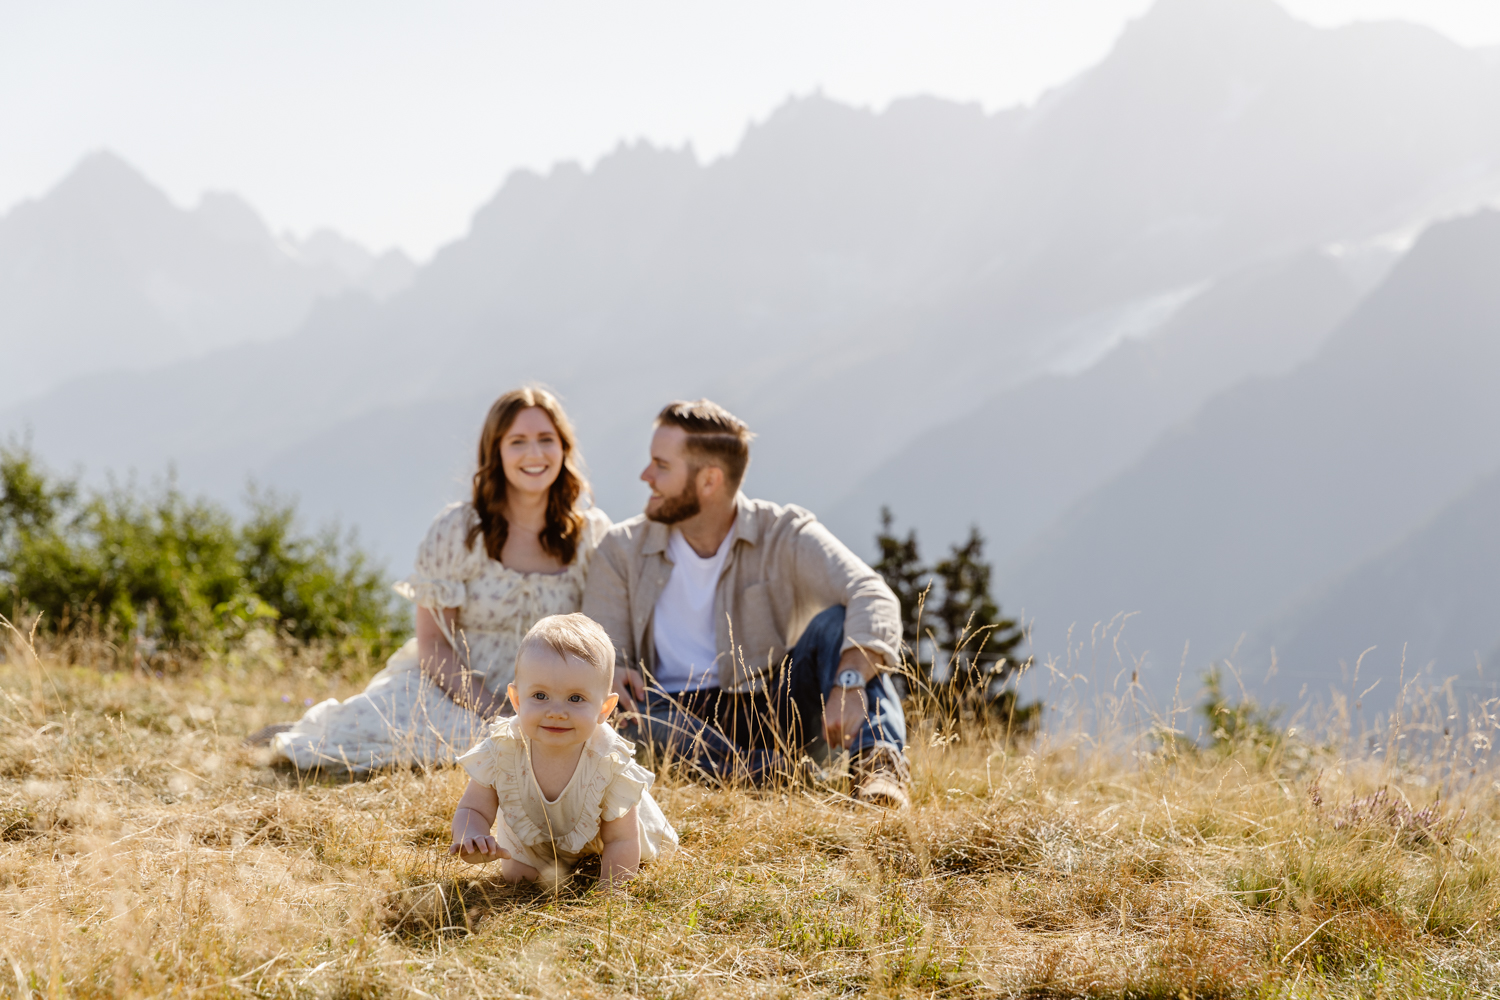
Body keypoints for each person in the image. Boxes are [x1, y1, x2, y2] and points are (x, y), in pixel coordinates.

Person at [258, 385, 611, 773]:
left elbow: (600, 640)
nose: (534, 453)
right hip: (452, 689)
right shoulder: (460, 530)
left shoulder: (589, 535)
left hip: (554, 700)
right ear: (495, 451)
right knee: (393, 738)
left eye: (546, 439)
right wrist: (496, 711)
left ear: (563, 447)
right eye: (517, 442)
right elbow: (433, 644)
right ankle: (299, 731)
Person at [581, 399, 912, 808]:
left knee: (838, 625)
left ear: (709, 480)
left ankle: (879, 771)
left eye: (661, 466)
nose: (646, 475)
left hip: (771, 706)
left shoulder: (784, 533)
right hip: (669, 714)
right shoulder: (621, 549)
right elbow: (597, 648)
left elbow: (872, 594)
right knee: (624, 726)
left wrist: (850, 681)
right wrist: (611, 670)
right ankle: (778, 774)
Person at [449, 613, 677, 885]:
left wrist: (611, 892)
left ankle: (596, 866)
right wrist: (472, 835)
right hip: (538, 835)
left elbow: (621, 838)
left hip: (606, 836)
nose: (556, 712)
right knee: (518, 877)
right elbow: (473, 808)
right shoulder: (504, 746)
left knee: (628, 858)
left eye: (575, 698)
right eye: (540, 696)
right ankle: (553, 861)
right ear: (517, 700)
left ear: (604, 708)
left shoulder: (609, 760)